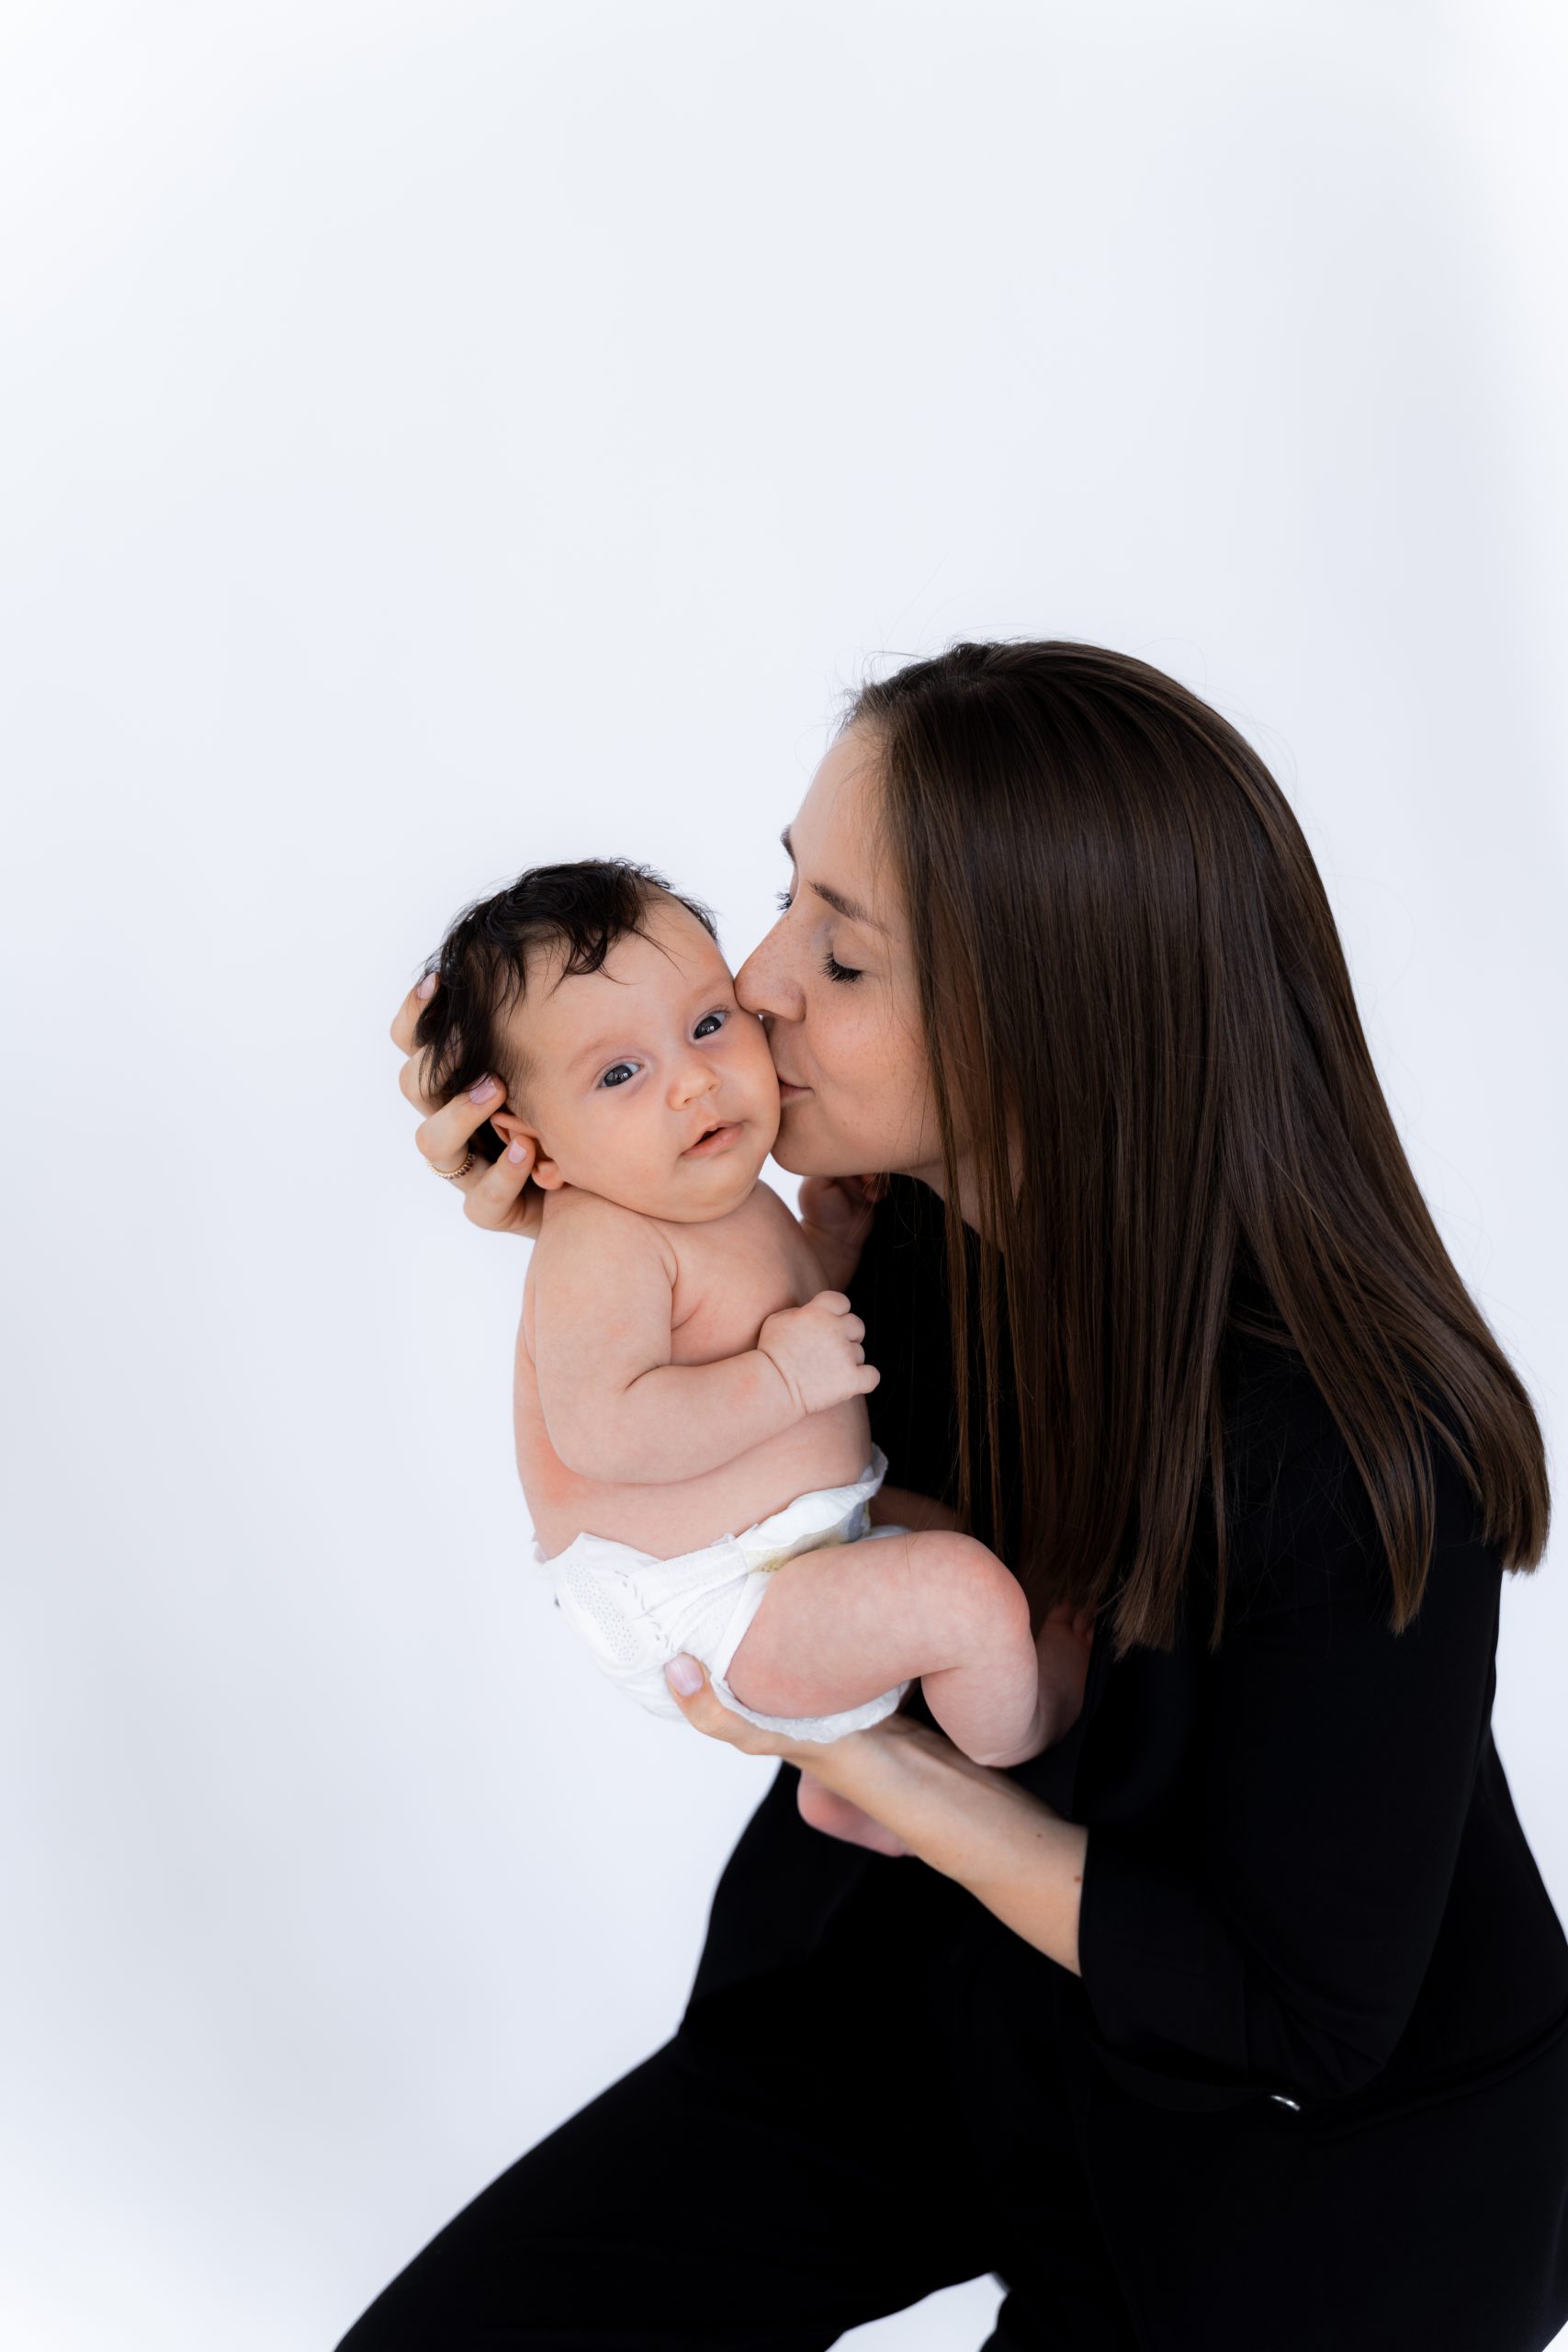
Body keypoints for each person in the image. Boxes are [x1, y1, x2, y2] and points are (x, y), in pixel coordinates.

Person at [339, 640, 1568, 2351]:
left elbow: (1297, 2021)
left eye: (838, 951)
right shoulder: (879, 1231)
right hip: (928, 2004)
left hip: (1300, 2184)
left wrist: (882, 1771)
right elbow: (678, 1359)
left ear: (1046, 1025)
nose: (753, 984)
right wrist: (580, 1184)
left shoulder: (1355, 1449)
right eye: (785, 892)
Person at [407, 854, 1087, 1764]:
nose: (694, 1080)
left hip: (796, 1542)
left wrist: (830, 1249)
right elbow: (608, 1431)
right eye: (620, 1074)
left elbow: (760, 1302)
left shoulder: (717, 1197)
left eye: (709, 1022)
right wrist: (777, 1380)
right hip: (714, 1594)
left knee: (979, 1544)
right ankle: (1030, 1740)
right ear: (536, 1150)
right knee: (967, 1597)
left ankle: (848, 1791)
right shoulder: (597, 1242)